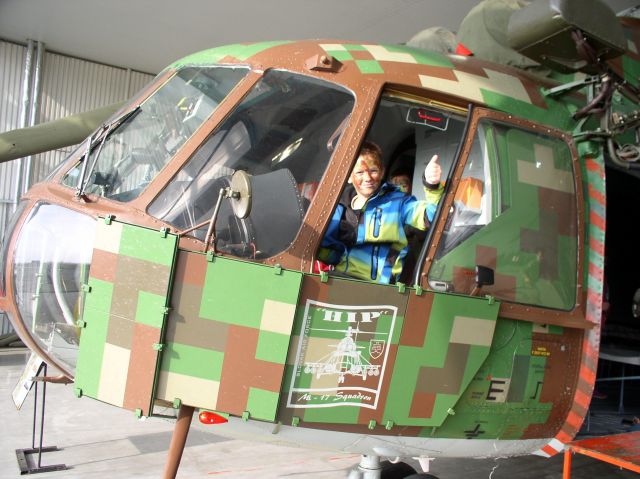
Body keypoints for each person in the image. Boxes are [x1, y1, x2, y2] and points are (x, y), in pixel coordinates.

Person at [318, 141, 444, 284]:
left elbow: (431, 217)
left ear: (382, 172)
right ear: (349, 176)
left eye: (373, 171)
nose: (368, 178)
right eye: (360, 172)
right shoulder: (338, 207)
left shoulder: (398, 203)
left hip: (379, 289)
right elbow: (325, 251)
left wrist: (432, 185)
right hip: (340, 280)